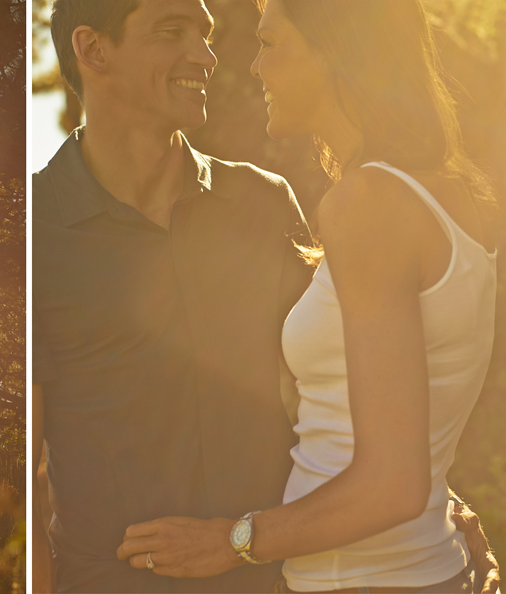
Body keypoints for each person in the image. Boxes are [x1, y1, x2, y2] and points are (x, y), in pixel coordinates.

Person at [115, 1, 502, 593]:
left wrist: (231, 541)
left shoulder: (370, 203)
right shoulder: (452, 195)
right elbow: (407, 421)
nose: (255, 69)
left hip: (364, 581)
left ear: (336, 50)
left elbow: (393, 483)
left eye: (271, 44)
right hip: (422, 569)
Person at [33, 0, 314, 591]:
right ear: (93, 50)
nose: (205, 55)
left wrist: (440, 506)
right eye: (172, 32)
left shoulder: (264, 204)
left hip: (276, 579)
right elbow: (18, 474)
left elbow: (346, 391)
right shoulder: (29, 232)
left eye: (205, 35)